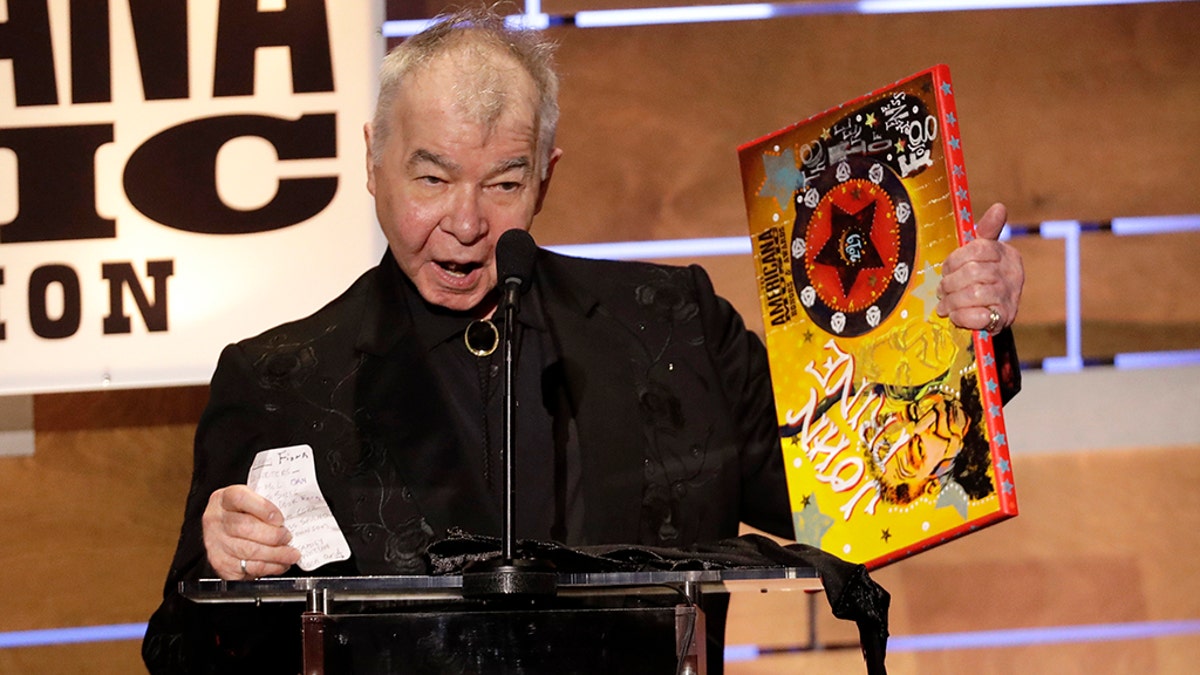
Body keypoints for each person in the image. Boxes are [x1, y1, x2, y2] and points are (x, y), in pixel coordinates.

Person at [143, 6, 1024, 673]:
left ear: (547, 176)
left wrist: (954, 335)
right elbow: (178, 649)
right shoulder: (279, 377)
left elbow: (847, 499)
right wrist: (222, 570)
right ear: (371, 160)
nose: (464, 223)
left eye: (504, 183)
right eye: (430, 176)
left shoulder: (671, 322)